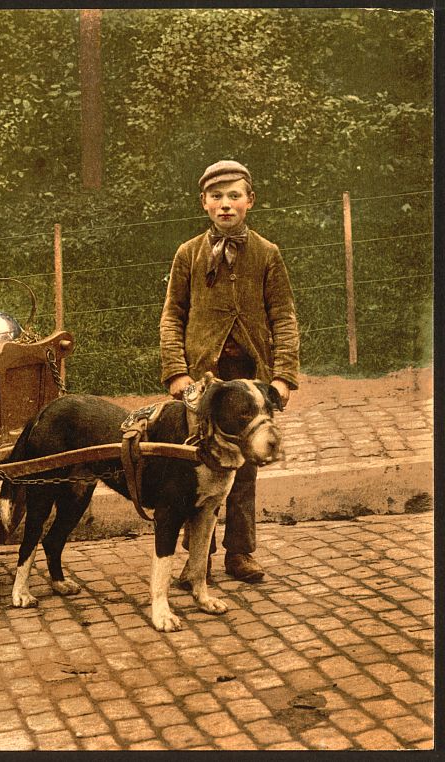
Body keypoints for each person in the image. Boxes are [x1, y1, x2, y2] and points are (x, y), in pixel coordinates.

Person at [159, 159, 300, 584]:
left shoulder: (267, 254)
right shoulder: (188, 253)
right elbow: (172, 317)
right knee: (197, 466)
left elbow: (285, 318)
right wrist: (177, 373)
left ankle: (241, 553)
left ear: (249, 201)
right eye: (217, 197)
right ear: (204, 202)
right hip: (204, 381)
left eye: (234, 196)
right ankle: (195, 559)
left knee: (245, 467)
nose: (226, 205)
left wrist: (283, 376)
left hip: (251, 379)